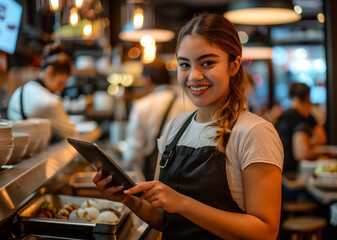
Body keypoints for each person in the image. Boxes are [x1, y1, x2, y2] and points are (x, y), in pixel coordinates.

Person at [94, 13, 283, 239]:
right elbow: (164, 219)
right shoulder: (175, 127)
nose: (194, 76)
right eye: (184, 64)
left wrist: (182, 203)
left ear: (234, 65)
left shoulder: (254, 132)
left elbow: (266, 232)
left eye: (207, 63)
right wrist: (127, 199)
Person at [122, 58, 196, 181]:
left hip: (154, 178)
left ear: (148, 80)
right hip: (186, 177)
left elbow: (133, 153)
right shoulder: (190, 103)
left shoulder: (141, 105)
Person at [7, 42, 77, 142]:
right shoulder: (51, 101)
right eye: (60, 83)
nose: (61, 89)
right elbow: (72, 134)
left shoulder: (21, 90)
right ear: (49, 71)